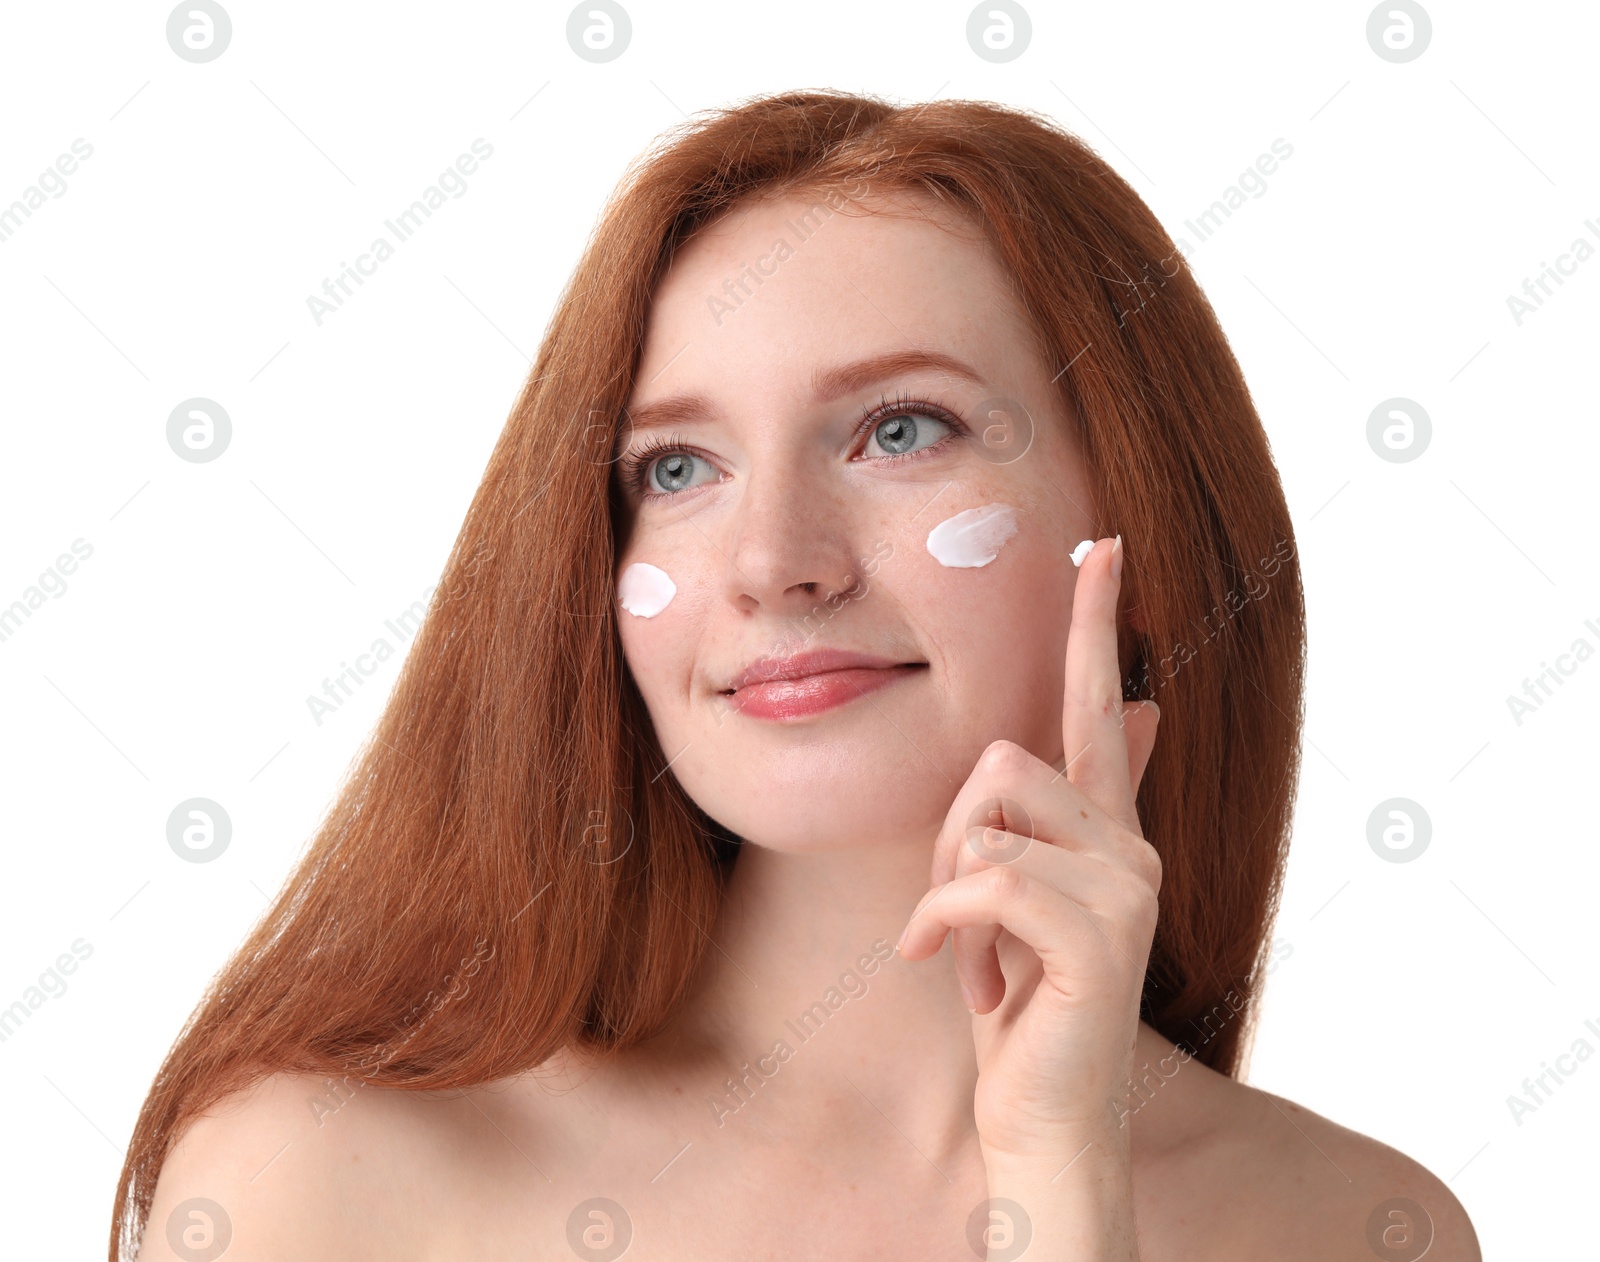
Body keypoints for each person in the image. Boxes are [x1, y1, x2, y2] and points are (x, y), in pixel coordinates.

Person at [117, 90, 1479, 1260]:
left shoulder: (1350, 1221)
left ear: (1145, 506)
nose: (773, 562)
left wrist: (1068, 1183)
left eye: (900, 428)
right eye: (677, 467)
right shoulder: (313, 1186)